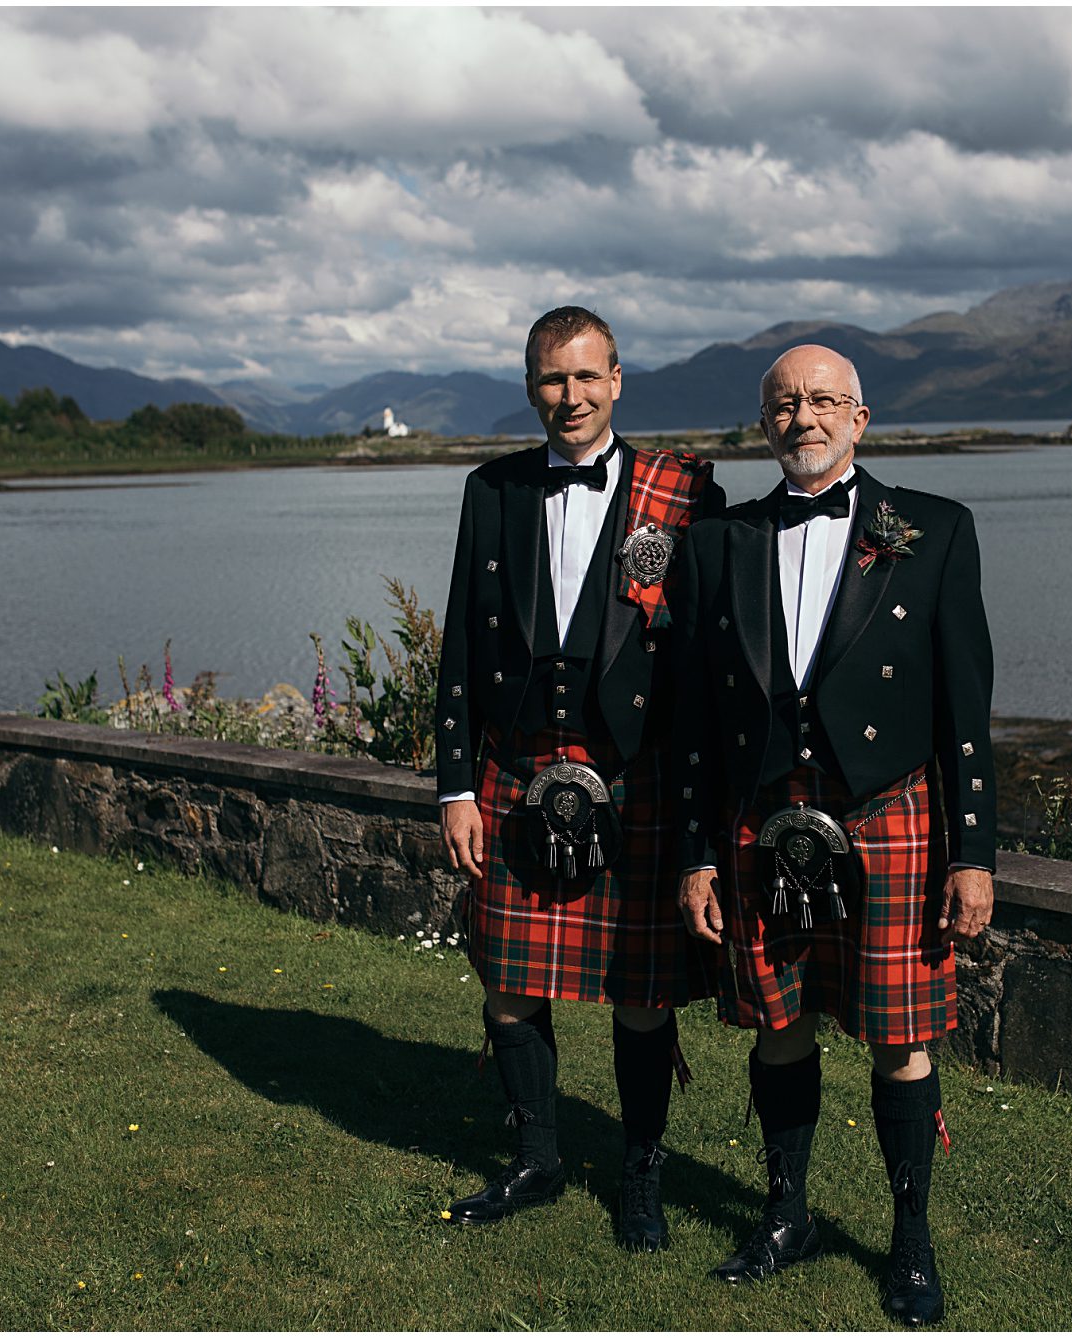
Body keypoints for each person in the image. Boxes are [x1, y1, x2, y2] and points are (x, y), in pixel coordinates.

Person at [671, 344, 996, 1324]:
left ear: (860, 418)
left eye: (821, 401)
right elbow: (689, 717)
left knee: (900, 1034)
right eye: (782, 403)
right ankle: (785, 1216)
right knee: (779, 1022)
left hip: (888, 815)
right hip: (761, 820)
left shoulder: (929, 530)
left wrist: (973, 853)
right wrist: (693, 852)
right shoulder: (714, 543)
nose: (801, 417)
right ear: (762, 423)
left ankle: (907, 1242)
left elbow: (965, 711)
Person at [434, 306, 724, 1250]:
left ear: (618, 380)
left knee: (640, 992)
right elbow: (459, 652)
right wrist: (456, 786)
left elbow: (709, 660)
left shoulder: (680, 495)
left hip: (634, 779)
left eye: (587, 377)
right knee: (510, 985)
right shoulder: (493, 489)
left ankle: (640, 1175)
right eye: (553, 380)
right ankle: (536, 1157)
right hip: (516, 772)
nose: (571, 397)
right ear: (530, 387)